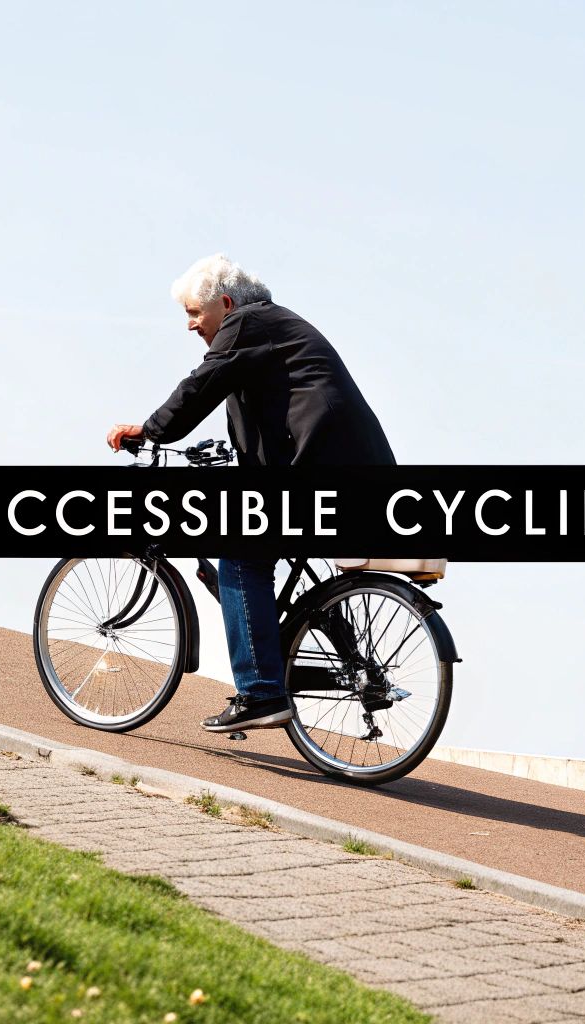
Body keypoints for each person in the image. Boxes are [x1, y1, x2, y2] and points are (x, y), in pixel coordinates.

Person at [107, 254, 395, 733]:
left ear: (225, 304)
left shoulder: (246, 324)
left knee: (240, 557)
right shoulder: (271, 330)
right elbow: (269, 416)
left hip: (329, 475)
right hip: (354, 475)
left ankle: (261, 693)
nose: (190, 325)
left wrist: (151, 430)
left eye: (193, 312)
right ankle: (348, 664)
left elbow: (200, 387)